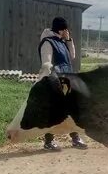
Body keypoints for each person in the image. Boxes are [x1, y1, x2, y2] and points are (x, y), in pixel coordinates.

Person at [38, 17, 88, 151]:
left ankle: (75, 138)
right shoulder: (48, 42)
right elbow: (46, 64)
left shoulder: (61, 42)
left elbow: (72, 56)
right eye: (66, 30)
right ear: (62, 29)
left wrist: (69, 40)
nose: (67, 32)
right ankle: (48, 141)